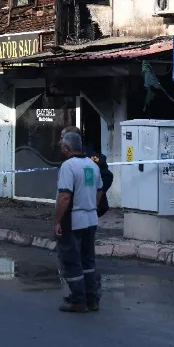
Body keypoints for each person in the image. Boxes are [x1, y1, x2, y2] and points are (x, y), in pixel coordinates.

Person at [53, 131, 103, 313]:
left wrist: (57, 220)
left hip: (74, 220)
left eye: (61, 144)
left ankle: (78, 300)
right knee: (88, 261)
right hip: (91, 219)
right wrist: (91, 207)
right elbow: (99, 192)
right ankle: (92, 299)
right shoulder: (93, 165)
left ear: (67, 148)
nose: (60, 146)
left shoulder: (68, 166)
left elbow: (65, 196)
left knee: (71, 260)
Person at [62, 126, 113, 217]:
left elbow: (107, 177)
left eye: (62, 138)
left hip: (87, 208)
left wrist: (97, 197)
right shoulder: (69, 156)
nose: (60, 141)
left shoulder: (89, 157)